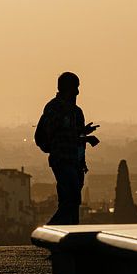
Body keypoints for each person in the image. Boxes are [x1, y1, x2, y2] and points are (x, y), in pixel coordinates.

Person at [35, 72, 99, 224]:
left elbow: (71, 136)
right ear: (66, 88)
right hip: (62, 159)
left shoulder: (76, 112)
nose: (77, 92)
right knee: (70, 199)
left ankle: (69, 234)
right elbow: (56, 135)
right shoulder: (54, 108)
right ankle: (49, 231)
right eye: (75, 88)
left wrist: (83, 133)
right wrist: (83, 136)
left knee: (73, 201)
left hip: (75, 163)